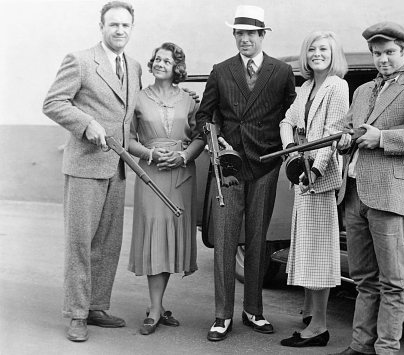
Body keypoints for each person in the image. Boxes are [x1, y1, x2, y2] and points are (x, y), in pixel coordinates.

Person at [329, 22, 404, 355]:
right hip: (354, 192)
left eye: (390, 53)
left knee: (393, 282)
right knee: (364, 279)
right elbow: (346, 128)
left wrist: (381, 138)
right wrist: (342, 138)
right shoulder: (363, 91)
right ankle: (361, 345)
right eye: (377, 54)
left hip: (389, 195)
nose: (383, 60)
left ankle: (386, 349)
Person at [42, 1, 142, 342]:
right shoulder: (81, 60)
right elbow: (53, 102)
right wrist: (86, 124)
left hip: (118, 167)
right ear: (101, 26)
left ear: (131, 28)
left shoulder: (135, 66)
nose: (119, 31)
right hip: (85, 165)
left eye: (125, 25)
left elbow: (130, 113)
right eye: (113, 25)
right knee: (80, 244)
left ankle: (97, 305)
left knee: (107, 243)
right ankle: (77, 313)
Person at [196, 5, 296, 341]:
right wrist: (216, 142)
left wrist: (286, 152)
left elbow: (292, 117)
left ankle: (253, 310)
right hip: (230, 167)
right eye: (239, 33)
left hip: (266, 164)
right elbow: (205, 116)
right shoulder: (221, 70)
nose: (244, 39)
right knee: (225, 241)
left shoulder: (281, 72)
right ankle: (222, 315)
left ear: (262, 35)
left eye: (251, 33)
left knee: (257, 241)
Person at [127, 42, 205, 335]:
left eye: (167, 61)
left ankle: (158, 306)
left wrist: (184, 155)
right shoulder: (136, 98)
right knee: (155, 235)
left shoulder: (189, 100)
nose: (160, 63)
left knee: (172, 238)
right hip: (151, 173)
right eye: (157, 59)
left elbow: (200, 137)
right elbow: (128, 139)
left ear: (177, 68)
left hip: (182, 175)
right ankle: (155, 307)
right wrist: (150, 154)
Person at [279, 30, 349, 348]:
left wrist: (315, 171)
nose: (317, 54)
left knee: (318, 253)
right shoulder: (307, 87)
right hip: (302, 177)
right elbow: (286, 122)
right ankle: (309, 313)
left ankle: (319, 327)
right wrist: (292, 151)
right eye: (312, 49)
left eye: (323, 49)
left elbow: (333, 134)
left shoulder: (337, 86)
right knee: (307, 249)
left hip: (318, 180)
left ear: (334, 54)